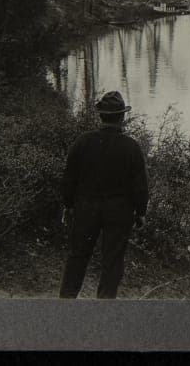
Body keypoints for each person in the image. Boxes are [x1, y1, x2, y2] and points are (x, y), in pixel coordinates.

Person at [59, 91, 149, 299]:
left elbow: (69, 179)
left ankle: (64, 306)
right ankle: (104, 310)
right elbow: (140, 186)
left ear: (101, 116)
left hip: (86, 208)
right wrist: (141, 212)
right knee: (113, 261)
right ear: (122, 117)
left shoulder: (82, 142)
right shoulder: (132, 147)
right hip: (119, 212)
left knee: (78, 256)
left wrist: (68, 205)